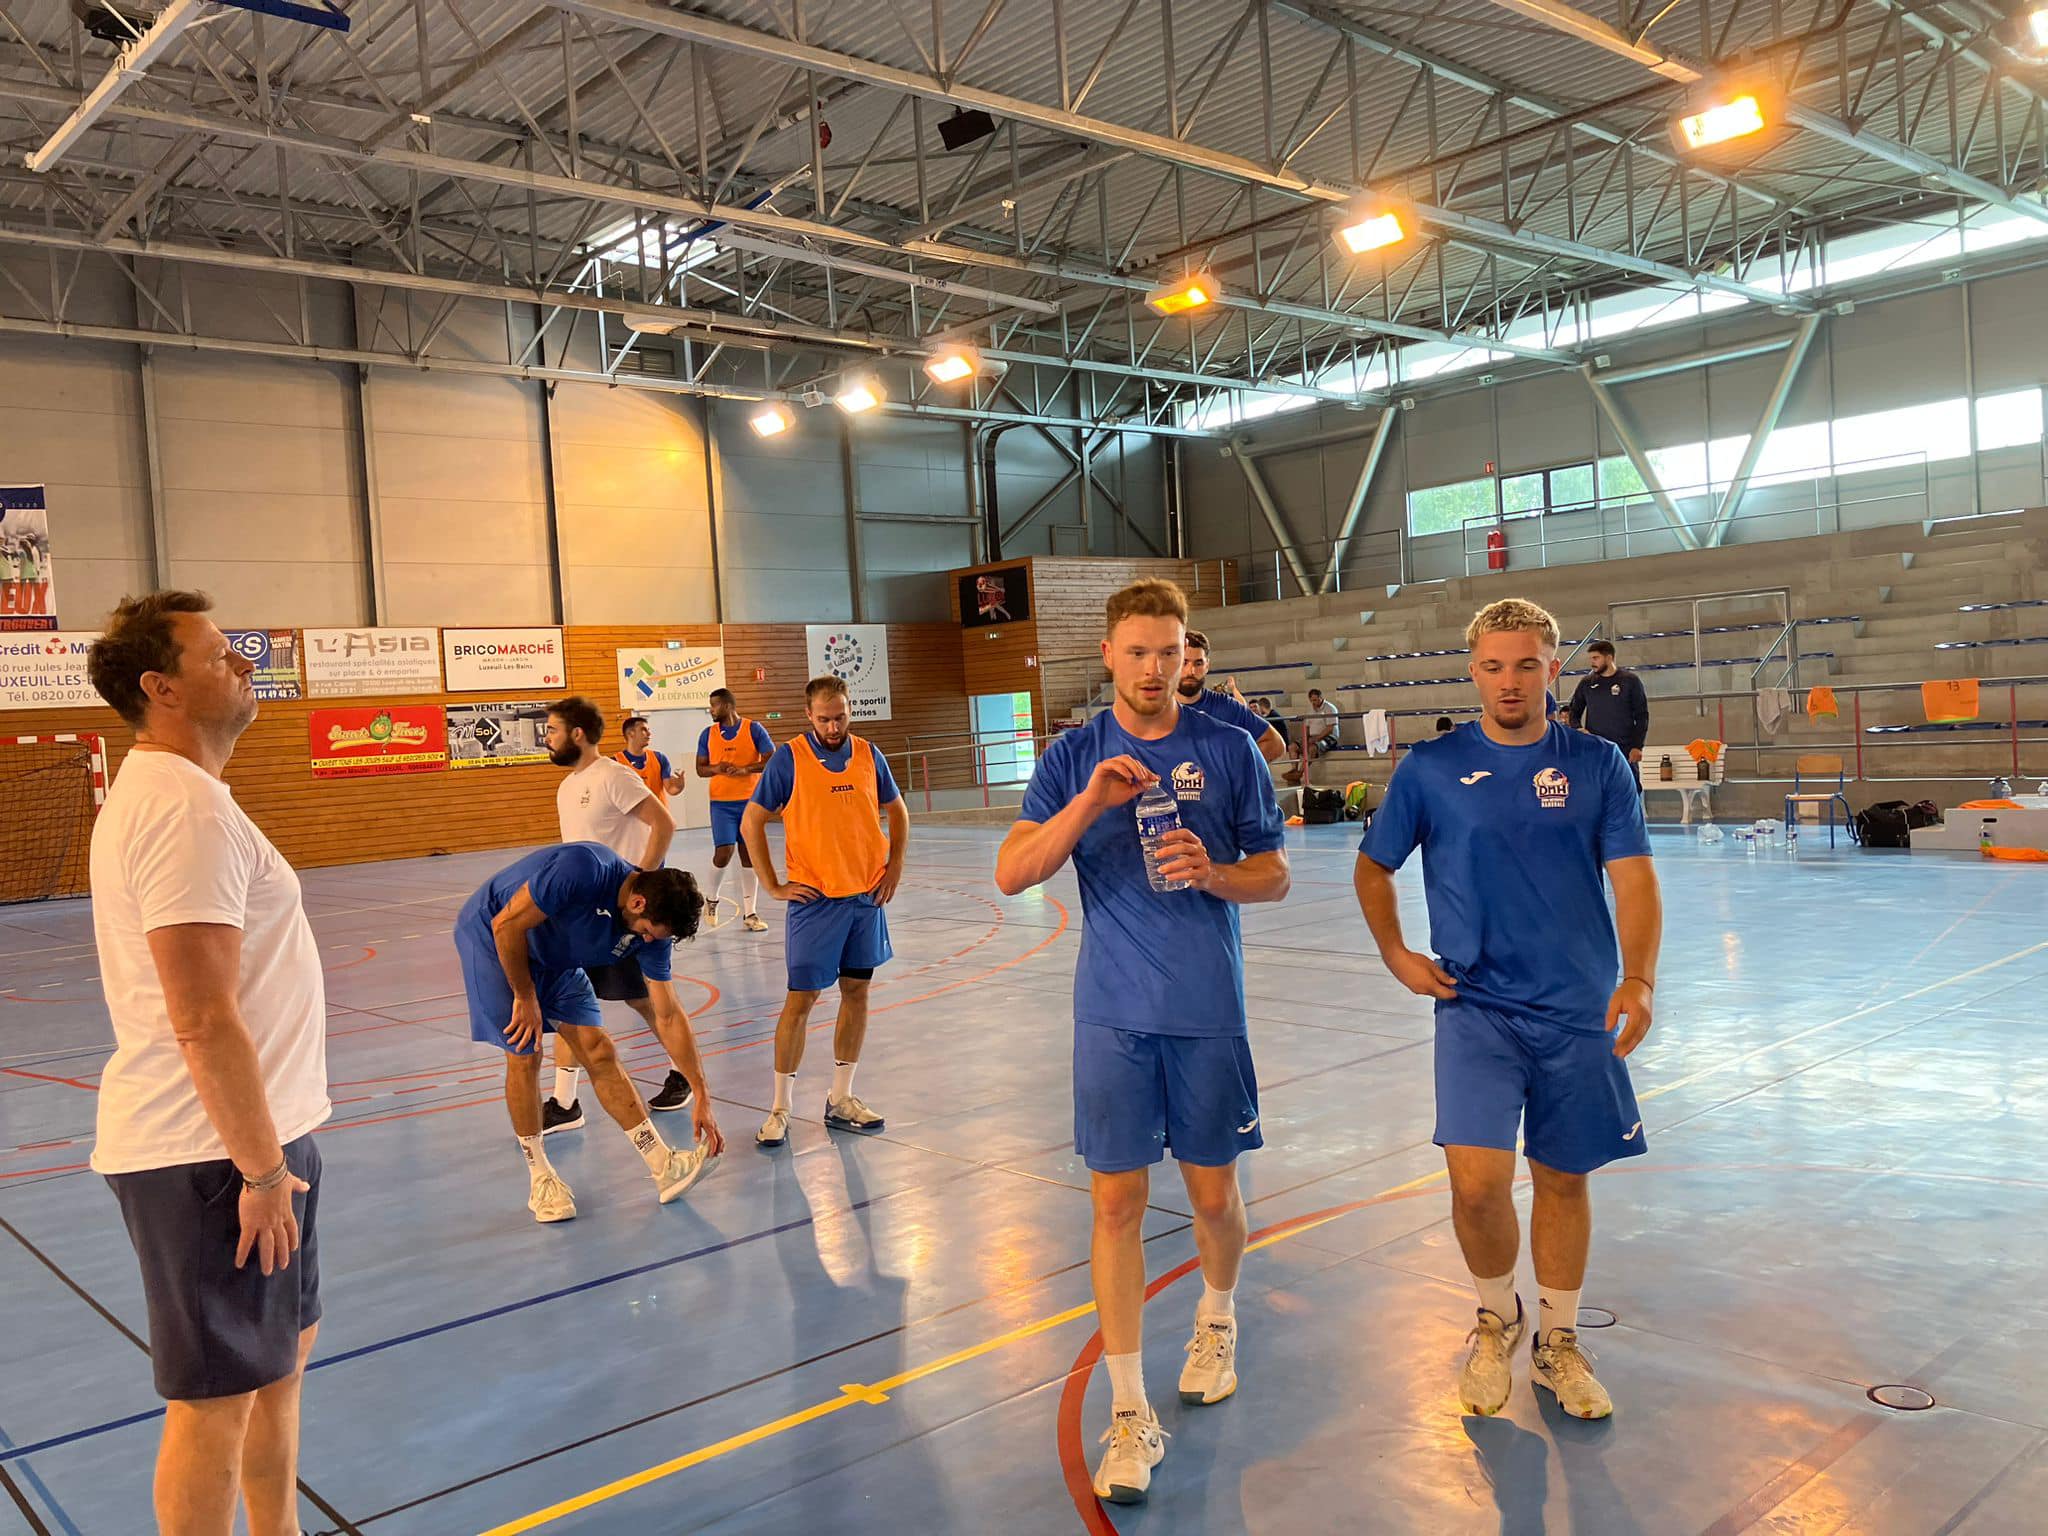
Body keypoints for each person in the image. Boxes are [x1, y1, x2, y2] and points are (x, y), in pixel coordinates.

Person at [995, 579, 1288, 1506]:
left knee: (1212, 1196)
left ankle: (1217, 1318)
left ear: (1185, 654)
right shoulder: (1074, 754)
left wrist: (1216, 872)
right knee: (1115, 1206)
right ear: (1110, 656)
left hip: (1207, 1008)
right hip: (1112, 1016)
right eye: (1137, 652)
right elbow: (1013, 873)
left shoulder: (1231, 749)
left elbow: (1274, 875)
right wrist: (1087, 805)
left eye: (1169, 652)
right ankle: (1128, 1408)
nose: (1155, 669)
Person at [1352, 598, 1660, 1421]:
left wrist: (1639, 979)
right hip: (1476, 1006)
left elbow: (1633, 877)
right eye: (1493, 666)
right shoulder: (1431, 766)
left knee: (1562, 1178)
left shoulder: (1597, 765)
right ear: (1473, 671)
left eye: (1527, 664)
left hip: (1576, 1009)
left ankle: (1558, 1341)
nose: (1509, 681)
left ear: (1553, 667)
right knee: (1477, 1183)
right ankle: (1498, 1317)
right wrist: (1396, 954)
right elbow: (1373, 866)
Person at [85, 591, 330, 1536]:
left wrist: (278, 1156)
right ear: (162, 688)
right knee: (217, 1401)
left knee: (278, 1367)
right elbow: (198, 1013)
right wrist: (262, 1170)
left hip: (267, 1139)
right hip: (214, 1157)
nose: (243, 664)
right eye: (220, 654)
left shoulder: (194, 798)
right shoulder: (180, 808)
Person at [454, 842, 723, 1223]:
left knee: (598, 1049)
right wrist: (525, 995)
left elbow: (668, 1015)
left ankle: (663, 1164)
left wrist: (702, 1094)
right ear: (638, 904)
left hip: (556, 958)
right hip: (494, 940)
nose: (648, 941)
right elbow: (507, 924)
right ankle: (540, 1178)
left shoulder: (654, 934)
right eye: (647, 933)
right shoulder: (583, 868)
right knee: (525, 1052)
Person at [740, 675, 910, 1147]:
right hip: (816, 903)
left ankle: (841, 1098)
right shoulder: (788, 759)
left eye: (840, 716)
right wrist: (772, 884)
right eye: (824, 719)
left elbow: (898, 812)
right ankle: (780, 1108)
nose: (833, 726)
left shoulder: (868, 755)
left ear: (849, 710)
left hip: (865, 899)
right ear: (808, 715)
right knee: (801, 1002)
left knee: (857, 992)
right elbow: (753, 819)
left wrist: (893, 865)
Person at [541, 696, 709, 1131]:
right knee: (571, 999)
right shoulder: (566, 787)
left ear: (577, 734)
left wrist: (643, 887)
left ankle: (683, 1075)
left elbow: (663, 823)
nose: (548, 737)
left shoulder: (613, 777)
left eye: (553, 730)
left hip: (630, 915)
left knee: (649, 1002)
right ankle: (564, 1103)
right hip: (587, 918)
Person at [696, 687, 775, 933]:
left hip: (750, 801)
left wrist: (746, 769)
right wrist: (717, 768)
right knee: (724, 851)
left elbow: (771, 758)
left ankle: (750, 913)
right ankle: (712, 899)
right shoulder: (707, 734)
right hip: (721, 803)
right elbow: (700, 769)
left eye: (714, 705)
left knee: (748, 855)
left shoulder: (753, 729)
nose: (711, 710)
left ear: (728, 706)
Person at [1177, 630, 1287, 764]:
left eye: (1198, 663)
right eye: (1184, 662)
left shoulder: (1226, 707)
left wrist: (1236, 770)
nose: (1191, 671)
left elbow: (1275, 745)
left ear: (1207, 666)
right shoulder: (1154, 710)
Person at [1567, 641, 1649, 775]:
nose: (1592, 662)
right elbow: (1573, 711)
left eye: (1596, 658)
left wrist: (1637, 746)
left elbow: (1641, 716)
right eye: (1591, 658)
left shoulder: (1630, 681)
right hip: (1595, 748)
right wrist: (1578, 728)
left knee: (1630, 788)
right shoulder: (1587, 683)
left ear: (1609, 657)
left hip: (1624, 748)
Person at [616, 714, 687, 801]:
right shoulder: (616, 762)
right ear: (631, 733)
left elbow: (671, 790)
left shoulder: (659, 758)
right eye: (644, 730)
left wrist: (679, 786)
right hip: (631, 814)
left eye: (648, 730)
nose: (649, 733)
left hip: (658, 813)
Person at [1283, 687, 1342, 784]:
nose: (1313, 702)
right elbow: (1306, 727)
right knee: (1292, 747)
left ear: (1321, 697)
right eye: (1311, 700)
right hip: (1312, 736)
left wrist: (1315, 739)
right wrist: (1305, 739)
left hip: (1329, 737)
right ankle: (1294, 770)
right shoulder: (1310, 709)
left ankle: (1300, 773)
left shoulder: (1330, 708)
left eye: (1315, 700)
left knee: (1312, 748)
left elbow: (1330, 728)